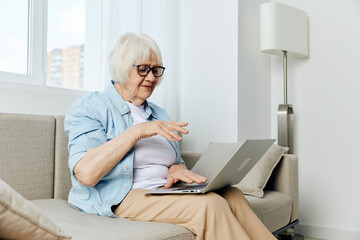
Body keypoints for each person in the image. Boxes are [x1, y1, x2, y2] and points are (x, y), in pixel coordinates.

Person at [65, 32, 276, 240]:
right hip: (120, 197)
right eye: (143, 69)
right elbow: (86, 174)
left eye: (156, 70)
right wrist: (137, 132)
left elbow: (175, 160)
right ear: (122, 68)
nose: (151, 77)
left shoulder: (158, 113)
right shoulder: (92, 107)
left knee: (232, 194)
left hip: (161, 191)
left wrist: (177, 167)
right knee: (211, 205)